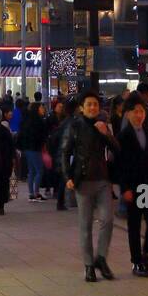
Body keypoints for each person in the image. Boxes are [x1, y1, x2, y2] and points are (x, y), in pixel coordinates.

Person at [61, 89, 119, 281]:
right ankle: (88, 266)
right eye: (89, 104)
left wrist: (107, 135)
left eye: (95, 104)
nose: (93, 107)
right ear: (82, 108)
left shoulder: (103, 125)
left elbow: (117, 150)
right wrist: (67, 176)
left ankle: (101, 258)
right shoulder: (75, 126)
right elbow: (64, 152)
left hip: (103, 180)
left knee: (108, 220)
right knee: (85, 225)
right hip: (83, 181)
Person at [117, 95, 148, 276]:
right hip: (133, 186)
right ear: (127, 114)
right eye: (135, 111)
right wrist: (124, 188)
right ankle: (136, 261)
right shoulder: (123, 136)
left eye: (142, 111)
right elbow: (119, 165)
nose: (139, 115)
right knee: (135, 224)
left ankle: (146, 252)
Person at [18, 100, 47, 201]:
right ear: (37, 109)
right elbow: (40, 136)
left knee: (32, 171)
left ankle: (32, 193)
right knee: (39, 170)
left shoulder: (26, 120)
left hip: (27, 148)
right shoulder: (38, 121)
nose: (44, 109)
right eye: (42, 108)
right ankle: (36, 192)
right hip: (34, 148)